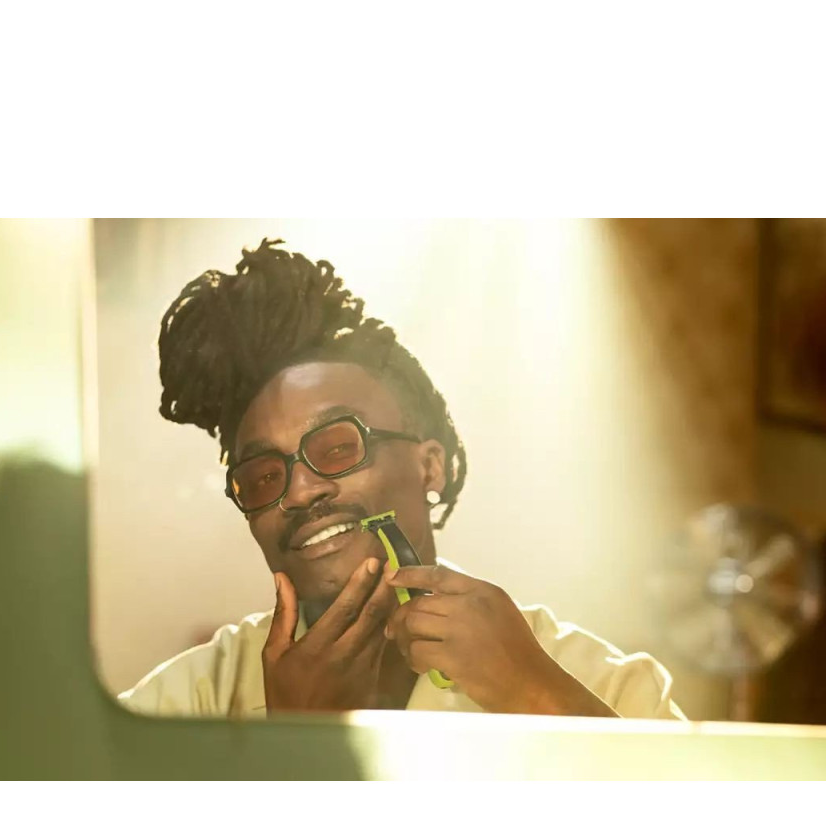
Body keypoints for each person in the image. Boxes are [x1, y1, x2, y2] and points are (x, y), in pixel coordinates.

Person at [120, 239, 684, 721]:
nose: (301, 491)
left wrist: (536, 695)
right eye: (264, 476)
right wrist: (293, 747)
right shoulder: (177, 707)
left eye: (337, 447)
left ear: (429, 466)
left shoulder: (610, 688)